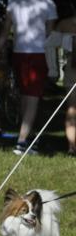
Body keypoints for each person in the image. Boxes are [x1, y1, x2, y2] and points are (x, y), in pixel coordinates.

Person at [0, 0, 58, 155]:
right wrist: (53, 62)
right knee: (33, 98)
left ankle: (27, 138)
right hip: (38, 54)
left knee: (25, 96)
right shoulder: (48, 4)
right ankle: (21, 143)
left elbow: (6, 30)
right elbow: (50, 36)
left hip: (19, 54)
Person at [45, 15, 76, 155]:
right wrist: (53, 69)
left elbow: (50, 44)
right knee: (72, 107)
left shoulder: (65, 23)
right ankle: (71, 146)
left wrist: (53, 69)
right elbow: (50, 44)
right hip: (72, 67)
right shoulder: (65, 23)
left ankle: (71, 147)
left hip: (71, 67)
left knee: (72, 107)